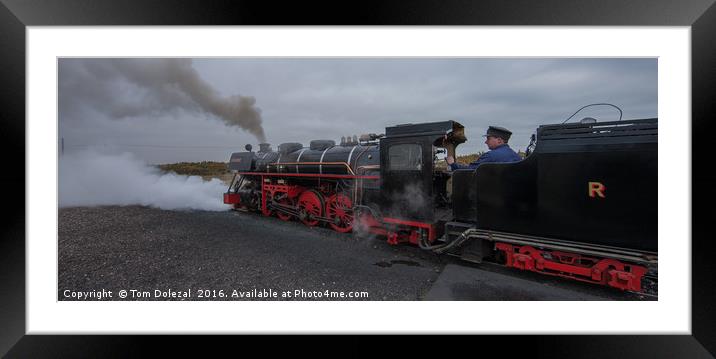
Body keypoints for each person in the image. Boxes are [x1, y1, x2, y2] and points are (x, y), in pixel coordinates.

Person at [446, 126, 522, 170]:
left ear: (499, 140)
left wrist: (452, 164)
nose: (486, 142)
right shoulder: (517, 157)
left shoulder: (490, 156)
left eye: (488, 139)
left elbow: (469, 171)